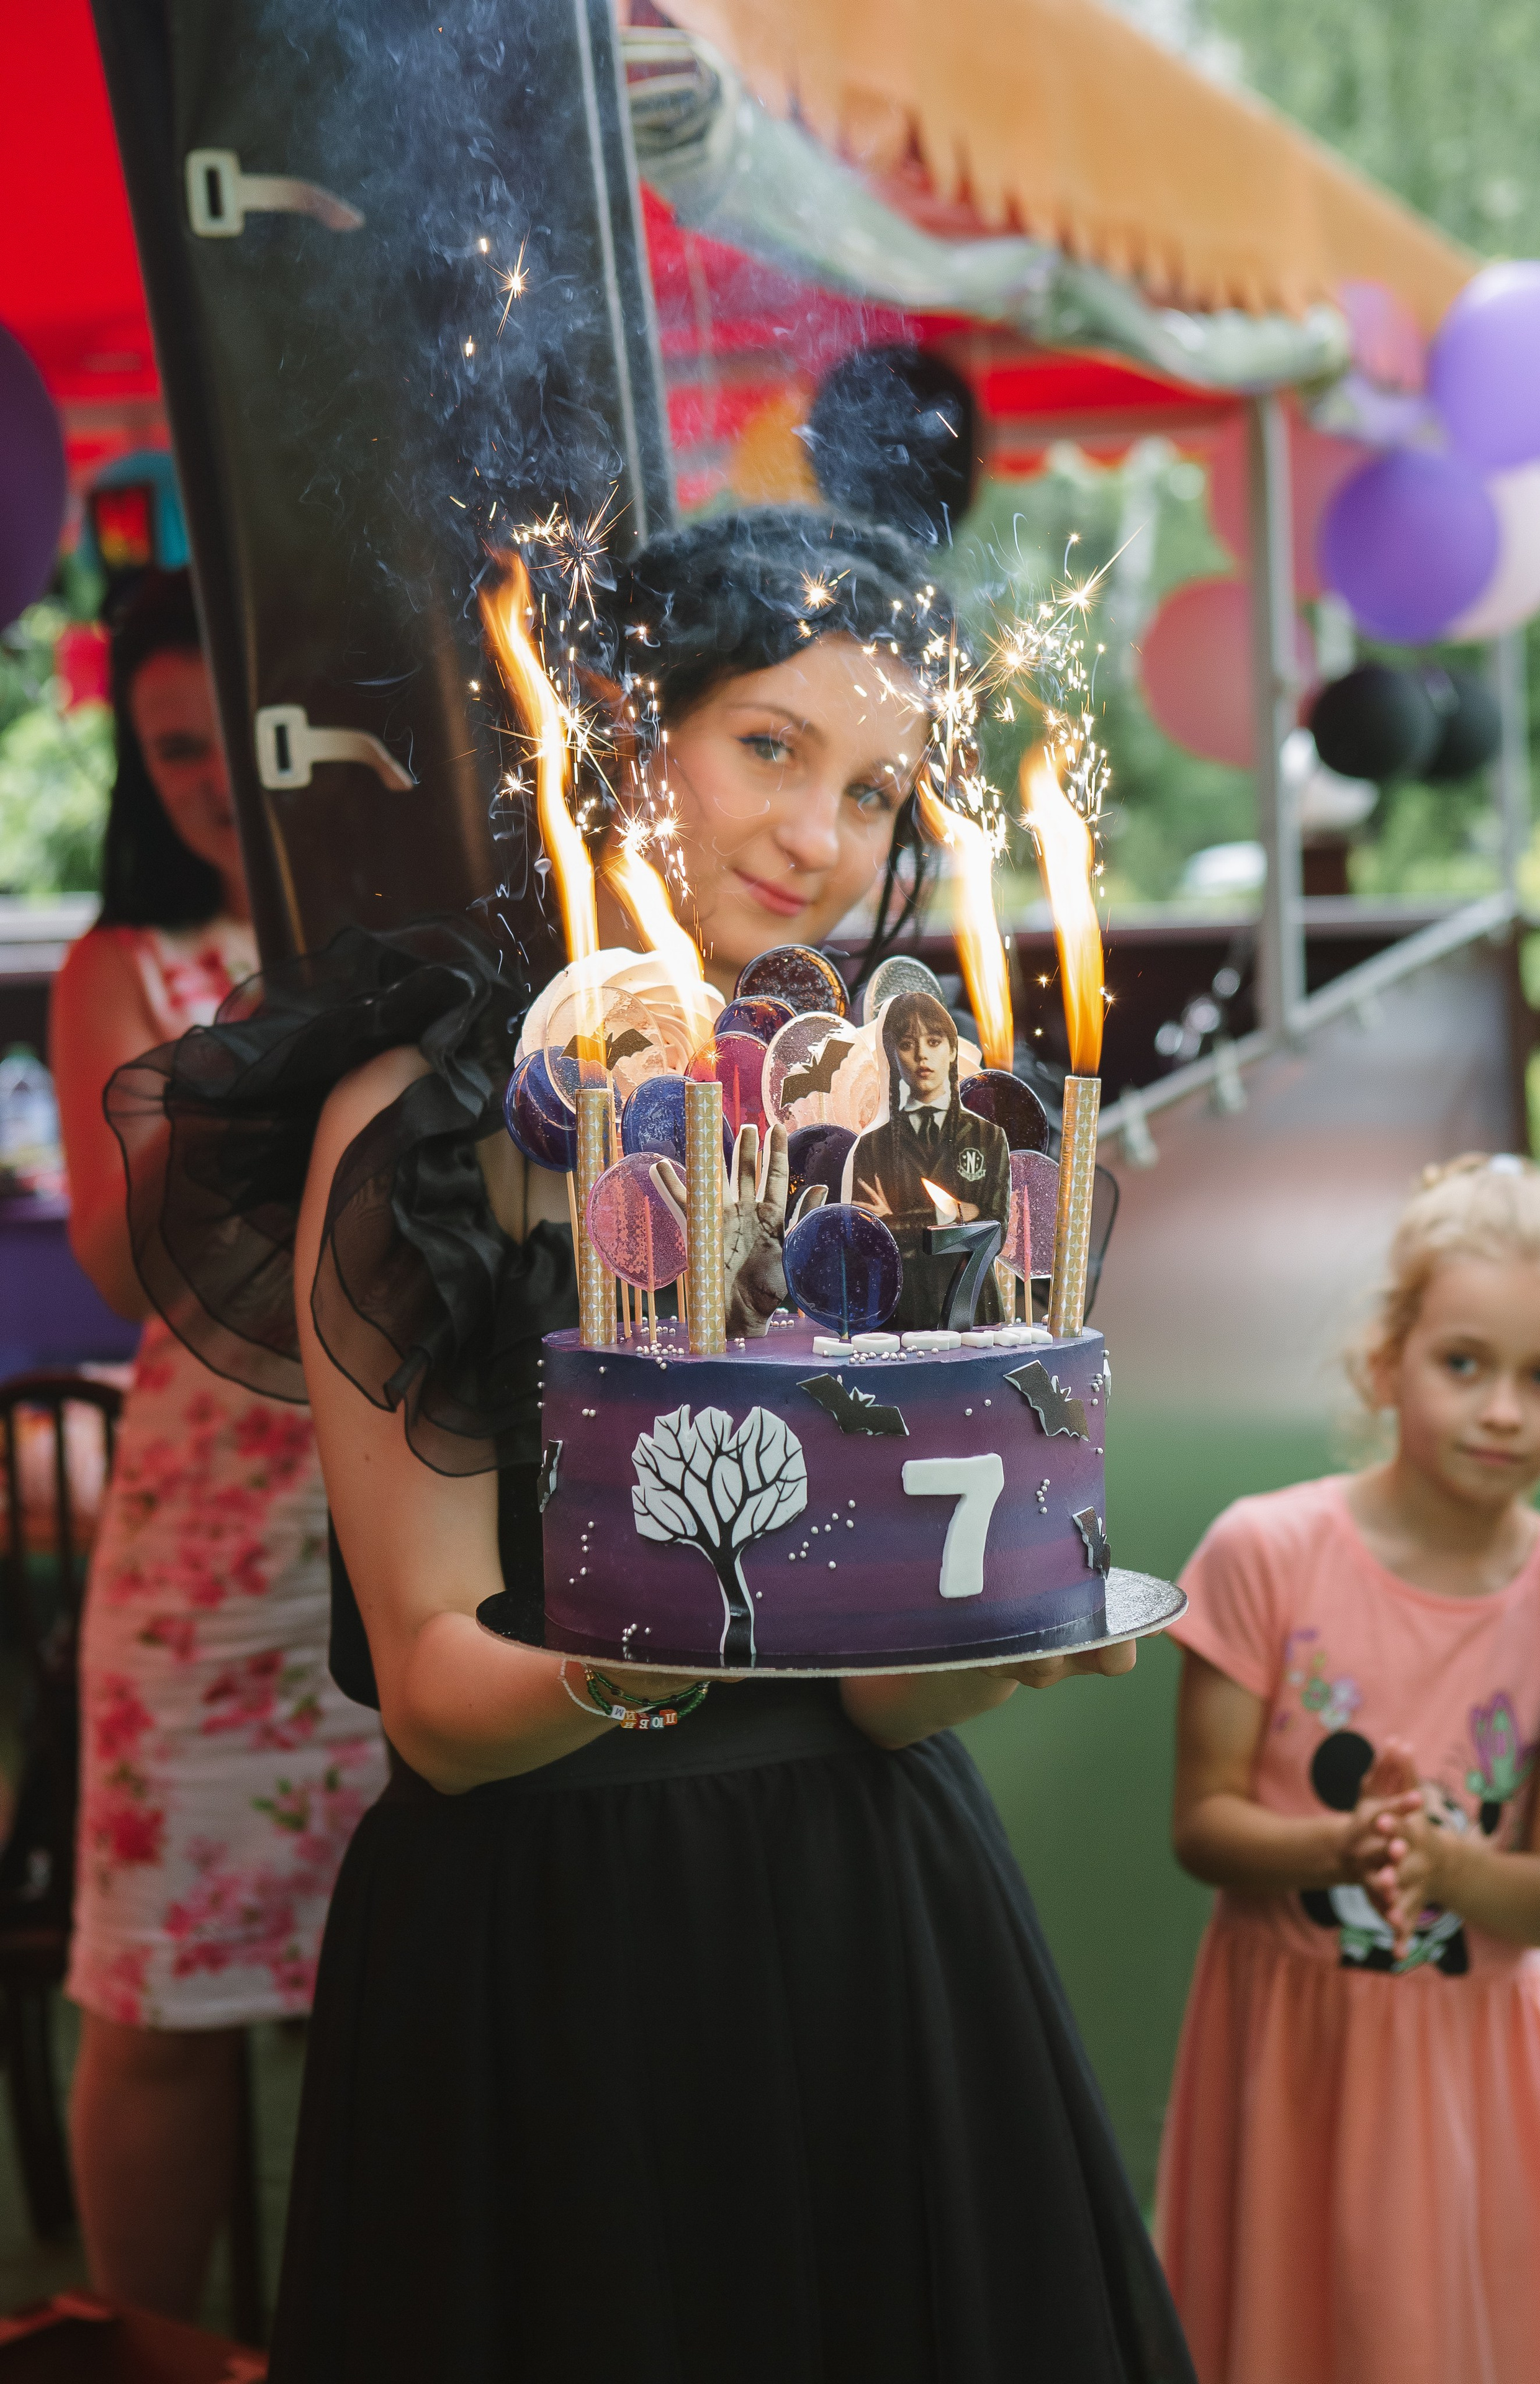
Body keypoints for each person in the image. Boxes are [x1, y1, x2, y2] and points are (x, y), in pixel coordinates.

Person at [110, 510, 1194, 2381]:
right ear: (618, 732)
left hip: (873, 1918)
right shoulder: (433, 1120)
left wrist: (988, 1628)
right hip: (556, 1950)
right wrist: (722, 1604)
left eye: (874, 789)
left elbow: (881, 1696)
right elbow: (438, 1693)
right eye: (768, 746)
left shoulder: (877, 1114)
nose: (818, 836)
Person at [49, 571, 388, 2319]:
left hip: (390, 1525)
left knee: (395, 1996)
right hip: (205, 1549)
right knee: (162, 1996)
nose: (198, 777)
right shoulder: (125, 967)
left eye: (222, 740)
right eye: (163, 746)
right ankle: (143, 2349)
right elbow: (119, 1264)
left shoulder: (407, 920)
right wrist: (233, 1051)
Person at [1156, 1154, 1540, 2384]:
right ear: (1382, 1359)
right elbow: (1200, 1824)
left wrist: (1447, 1865)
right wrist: (1336, 1848)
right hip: (1288, 2056)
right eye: (1462, 1363)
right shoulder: (1260, 1552)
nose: (1501, 1409)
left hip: (1477, 2072)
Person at [848, 987, 1010, 1328]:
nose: (922, 1055)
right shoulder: (871, 1147)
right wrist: (950, 1213)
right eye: (907, 1044)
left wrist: (898, 1220)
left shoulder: (989, 1137)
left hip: (974, 1310)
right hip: (898, 1313)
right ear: (892, 1055)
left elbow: (995, 1230)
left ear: (952, 1050)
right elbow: (868, 1240)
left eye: (934, 1042)